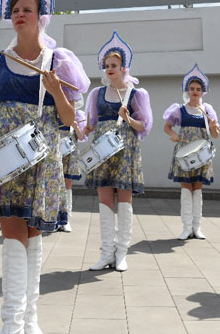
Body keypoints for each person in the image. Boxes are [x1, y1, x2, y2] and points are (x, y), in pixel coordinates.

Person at [0, 0, 90, 333]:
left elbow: (69, 118)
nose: (19, 14)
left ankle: (30, 319)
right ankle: (11, 323)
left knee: (33, 234)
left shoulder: (58, 62)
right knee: (13, 231)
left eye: (27, 10)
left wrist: (55, 91)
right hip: (5, 154)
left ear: (40, 17)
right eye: (15, 9)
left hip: (42, 153)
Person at [84, 31, 152, 272]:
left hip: (126, 150)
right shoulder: (96, 94)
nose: (109, 69)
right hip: (102, 151)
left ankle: (122, 253)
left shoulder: (136, 94)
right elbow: (91, 125)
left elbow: (144, 126)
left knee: (124, 201)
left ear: (123, 68)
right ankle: (106, 253)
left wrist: (128, 118)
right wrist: (82, 127)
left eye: (114, 65)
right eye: (106, 66)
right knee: (104, 202)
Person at [163, 64, 220, 240]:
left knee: (197, 189)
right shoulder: (179, 110)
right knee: (186, 189)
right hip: (184, 153)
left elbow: (215, 135)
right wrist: (174, 135)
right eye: (192, 88)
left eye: (198, 89)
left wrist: (213, 127)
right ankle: (186, 227)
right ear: (187, 90)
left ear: (203, 91)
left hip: (202, 155)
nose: (195, 91)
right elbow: (167, 127)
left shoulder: (207, 110)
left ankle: (197, 228)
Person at [57, 108, 87, 232]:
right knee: (54, 185)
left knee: (67, 186)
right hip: (55, 153)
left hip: (70, 155)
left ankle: (66, 219)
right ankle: (54, 218)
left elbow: (81, 137)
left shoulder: (77, 114)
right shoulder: (53, 111)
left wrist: (76, 126)